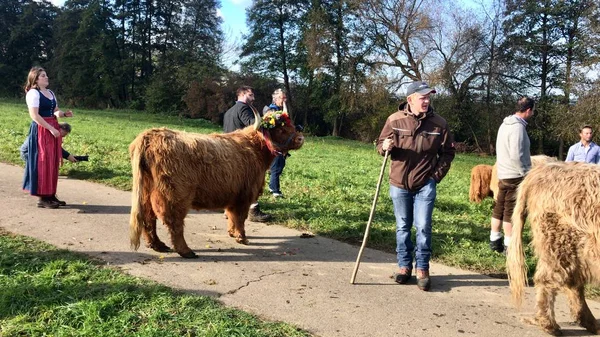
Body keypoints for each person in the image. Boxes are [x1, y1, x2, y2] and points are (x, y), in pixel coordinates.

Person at [376, 81, 455, 291]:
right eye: (422, 97)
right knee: (402, 227)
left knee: (423, 227)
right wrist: (384, 147)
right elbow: (380, 144)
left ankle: (422, 269)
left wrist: (435, 177)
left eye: (429, 97)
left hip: (425, 185)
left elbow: (447, 153)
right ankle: (404, 267)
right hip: (399, 183)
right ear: (410, 99)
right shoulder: (394, 120)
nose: (426, 101)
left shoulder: (439, 124)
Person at [22, 66, 74, 209]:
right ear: (36, 79)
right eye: (43, 76)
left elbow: (55, 111)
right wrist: (50, 128)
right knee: (43, 161)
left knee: (52, 162)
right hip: (41, 129)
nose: (46, 77)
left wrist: (64, 115)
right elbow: (34, 115)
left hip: (52, 128)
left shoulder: (50, 92)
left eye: (46, 75)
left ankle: (50, 194)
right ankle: (42, 198)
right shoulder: (33, 93)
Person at [489, 97, 535, 254]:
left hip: (503, 172)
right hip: (514, 174)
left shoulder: (505, 124)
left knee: (499, 207)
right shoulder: (518, 128)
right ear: (528, 110)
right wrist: (526, 172)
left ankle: (494, 240)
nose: (532, 114)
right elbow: (517, 155)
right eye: (533, 111)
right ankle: (509, 246)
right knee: (510, 210)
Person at [223, 85, 272, 222]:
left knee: (233, 182)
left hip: (227, 149)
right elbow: (253, 125)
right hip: (242, 151)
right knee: (250, 181)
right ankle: (253, 210)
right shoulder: (244, 108)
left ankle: (229, 209)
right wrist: (267, 118)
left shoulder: (229, 111)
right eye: (251, 95)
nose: (253, 98)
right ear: (242, 94)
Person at [263, 89, 288, 198]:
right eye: (283, 98)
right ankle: (275, 190)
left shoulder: (278, 110)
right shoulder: (271, 111)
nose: (285, 100)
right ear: (276, 99)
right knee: (277, 166)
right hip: (273, 143)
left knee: (280, 164)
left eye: (285, 98)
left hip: (280, 143)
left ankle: (272, 186)